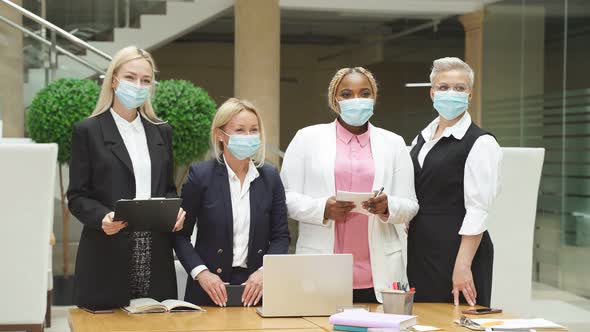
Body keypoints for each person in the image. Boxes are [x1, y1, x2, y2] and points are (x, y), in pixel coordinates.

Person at [280, 67, 419, 303]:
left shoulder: (394, 143)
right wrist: (323, 208)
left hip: (379, 275)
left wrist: (388, 206)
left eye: (364, 93)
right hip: (322, 267)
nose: (357, 100)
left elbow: (411, 205)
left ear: (373, 97)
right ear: (335, 100)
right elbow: (285, 197)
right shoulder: (306, 138)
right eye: (347, 94)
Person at [67, 46, 185, 310]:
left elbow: (167, 188)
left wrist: (175, 209)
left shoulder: (161, 131)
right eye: (130, 77)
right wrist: (101, 217)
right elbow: (77, 196)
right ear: (113, 80)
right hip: (107, 251)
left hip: (155, 254)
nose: (138, 85)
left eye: (145, 80)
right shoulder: (88, 131)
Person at [175, 98, 290, 307]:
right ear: (220, 134)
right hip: (208, 292)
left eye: (254, 130)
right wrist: (202, 274)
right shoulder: (201, 176)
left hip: (257, 291)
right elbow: (179, 235)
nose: (248, 137)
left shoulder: (270, 176)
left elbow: (281, 236)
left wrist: (265, 272)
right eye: (240, 130)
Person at [407, 57, 502, 307]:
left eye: (459, 88)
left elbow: (478, 209)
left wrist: (462, 264)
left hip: (458, 252)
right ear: (432, 93)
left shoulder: (481, 143)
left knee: (457, 321)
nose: (451, 93)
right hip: (421, 249)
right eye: (443, 87)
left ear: (470, 95)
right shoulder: (422, 138)